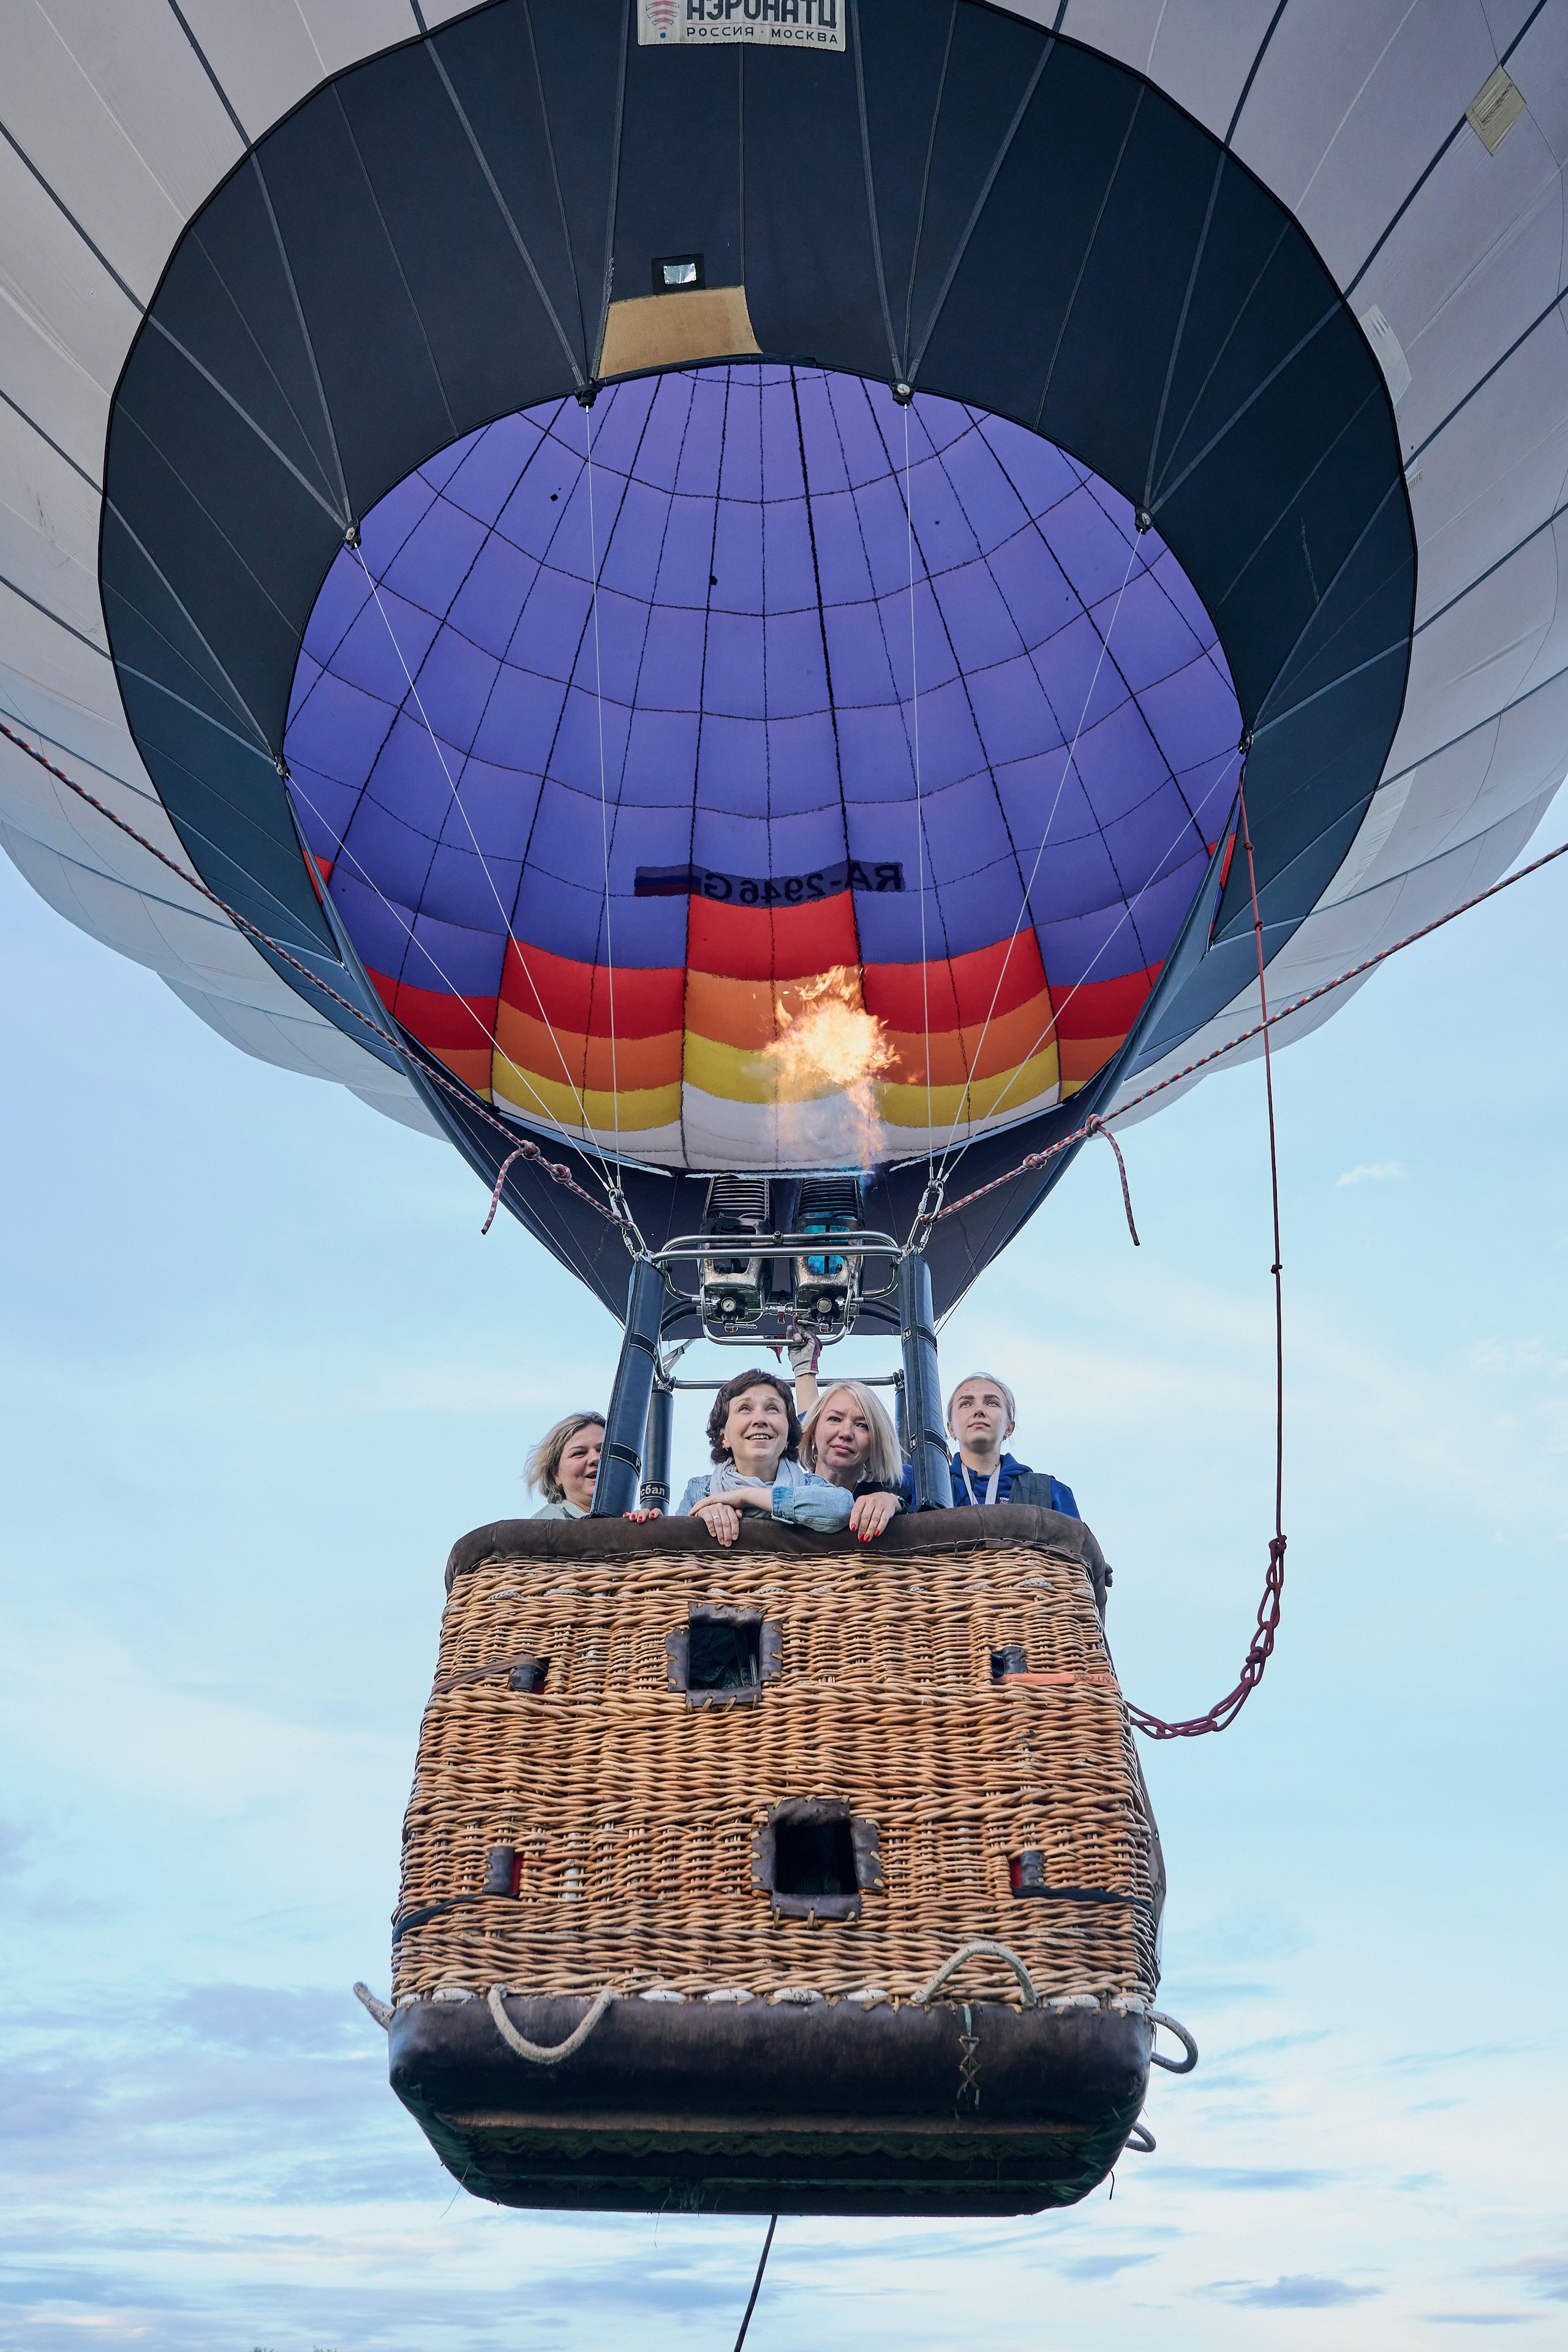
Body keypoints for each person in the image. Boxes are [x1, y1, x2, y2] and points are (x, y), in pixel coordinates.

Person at [657, 1368, 872, 1548]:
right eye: (745, 1409)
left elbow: (842, 1508)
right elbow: (673, 1546)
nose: (760, 1419)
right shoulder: (700, 1492)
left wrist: (745, 1497)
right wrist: (701, 1520)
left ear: (788, 1436)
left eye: (772, 1409)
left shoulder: (810, 1486)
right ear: (724, 1436)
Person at [945, 1370, 1079, 1516]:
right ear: (951, 1429)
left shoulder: (1050, 1493)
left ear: (1009, 1428)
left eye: (992, 1403)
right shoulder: (924, 1486)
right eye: (966, 1403)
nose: (979, 1410)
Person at [798, 1379, 908, 1540]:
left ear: (875, 1445)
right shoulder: (788, 1484)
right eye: (835, 1419)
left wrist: (893, 1503)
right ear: (813, 1432)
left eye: (862, 1425)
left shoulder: (893, 1493)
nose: (846, 1433)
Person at [526, 1412, 605, 1518]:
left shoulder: (630, 1520)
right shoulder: (545, 1525)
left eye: (603, 1450)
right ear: (556, 1474)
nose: (595, 1458)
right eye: (579, 1453)